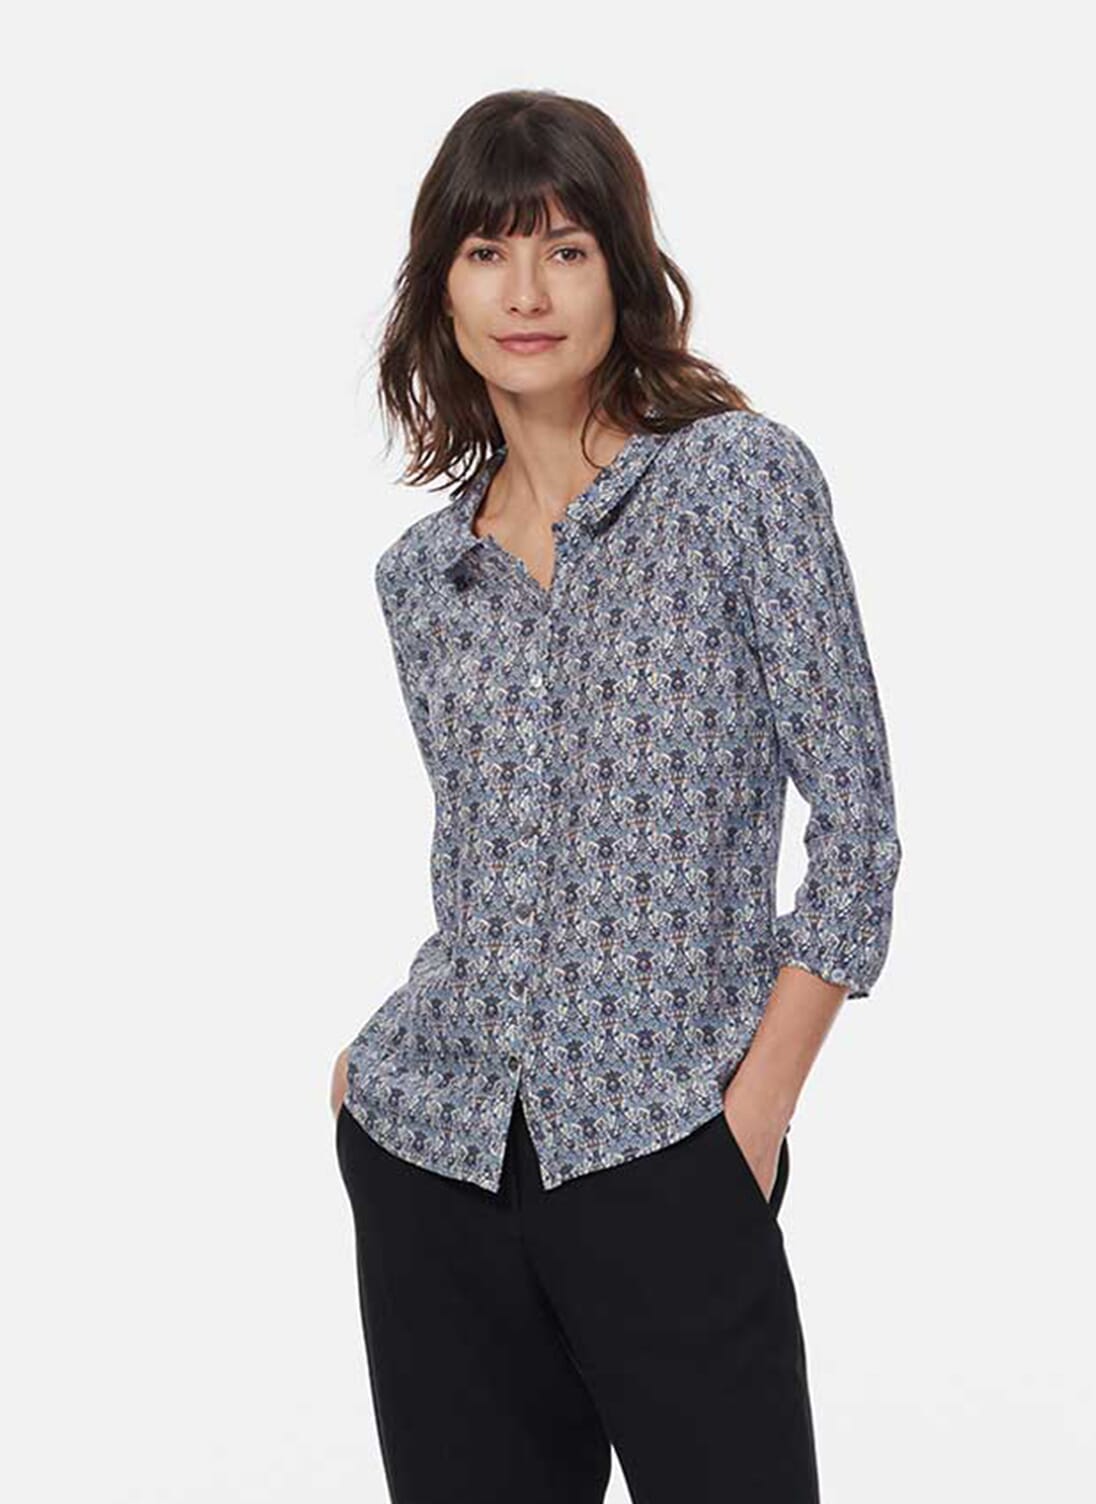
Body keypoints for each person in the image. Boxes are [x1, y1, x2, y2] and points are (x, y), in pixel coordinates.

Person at [331, 88, 902, 1504]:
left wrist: (749, 1123)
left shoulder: (737, 484)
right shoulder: (422, 580)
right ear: (440, 287)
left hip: (669, 1143)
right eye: (486, 252)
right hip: (436, 1151)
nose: (525, 292)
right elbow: (486, 866)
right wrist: (367, 1082)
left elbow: (859, 833)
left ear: (623, 272)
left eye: (566, 249)